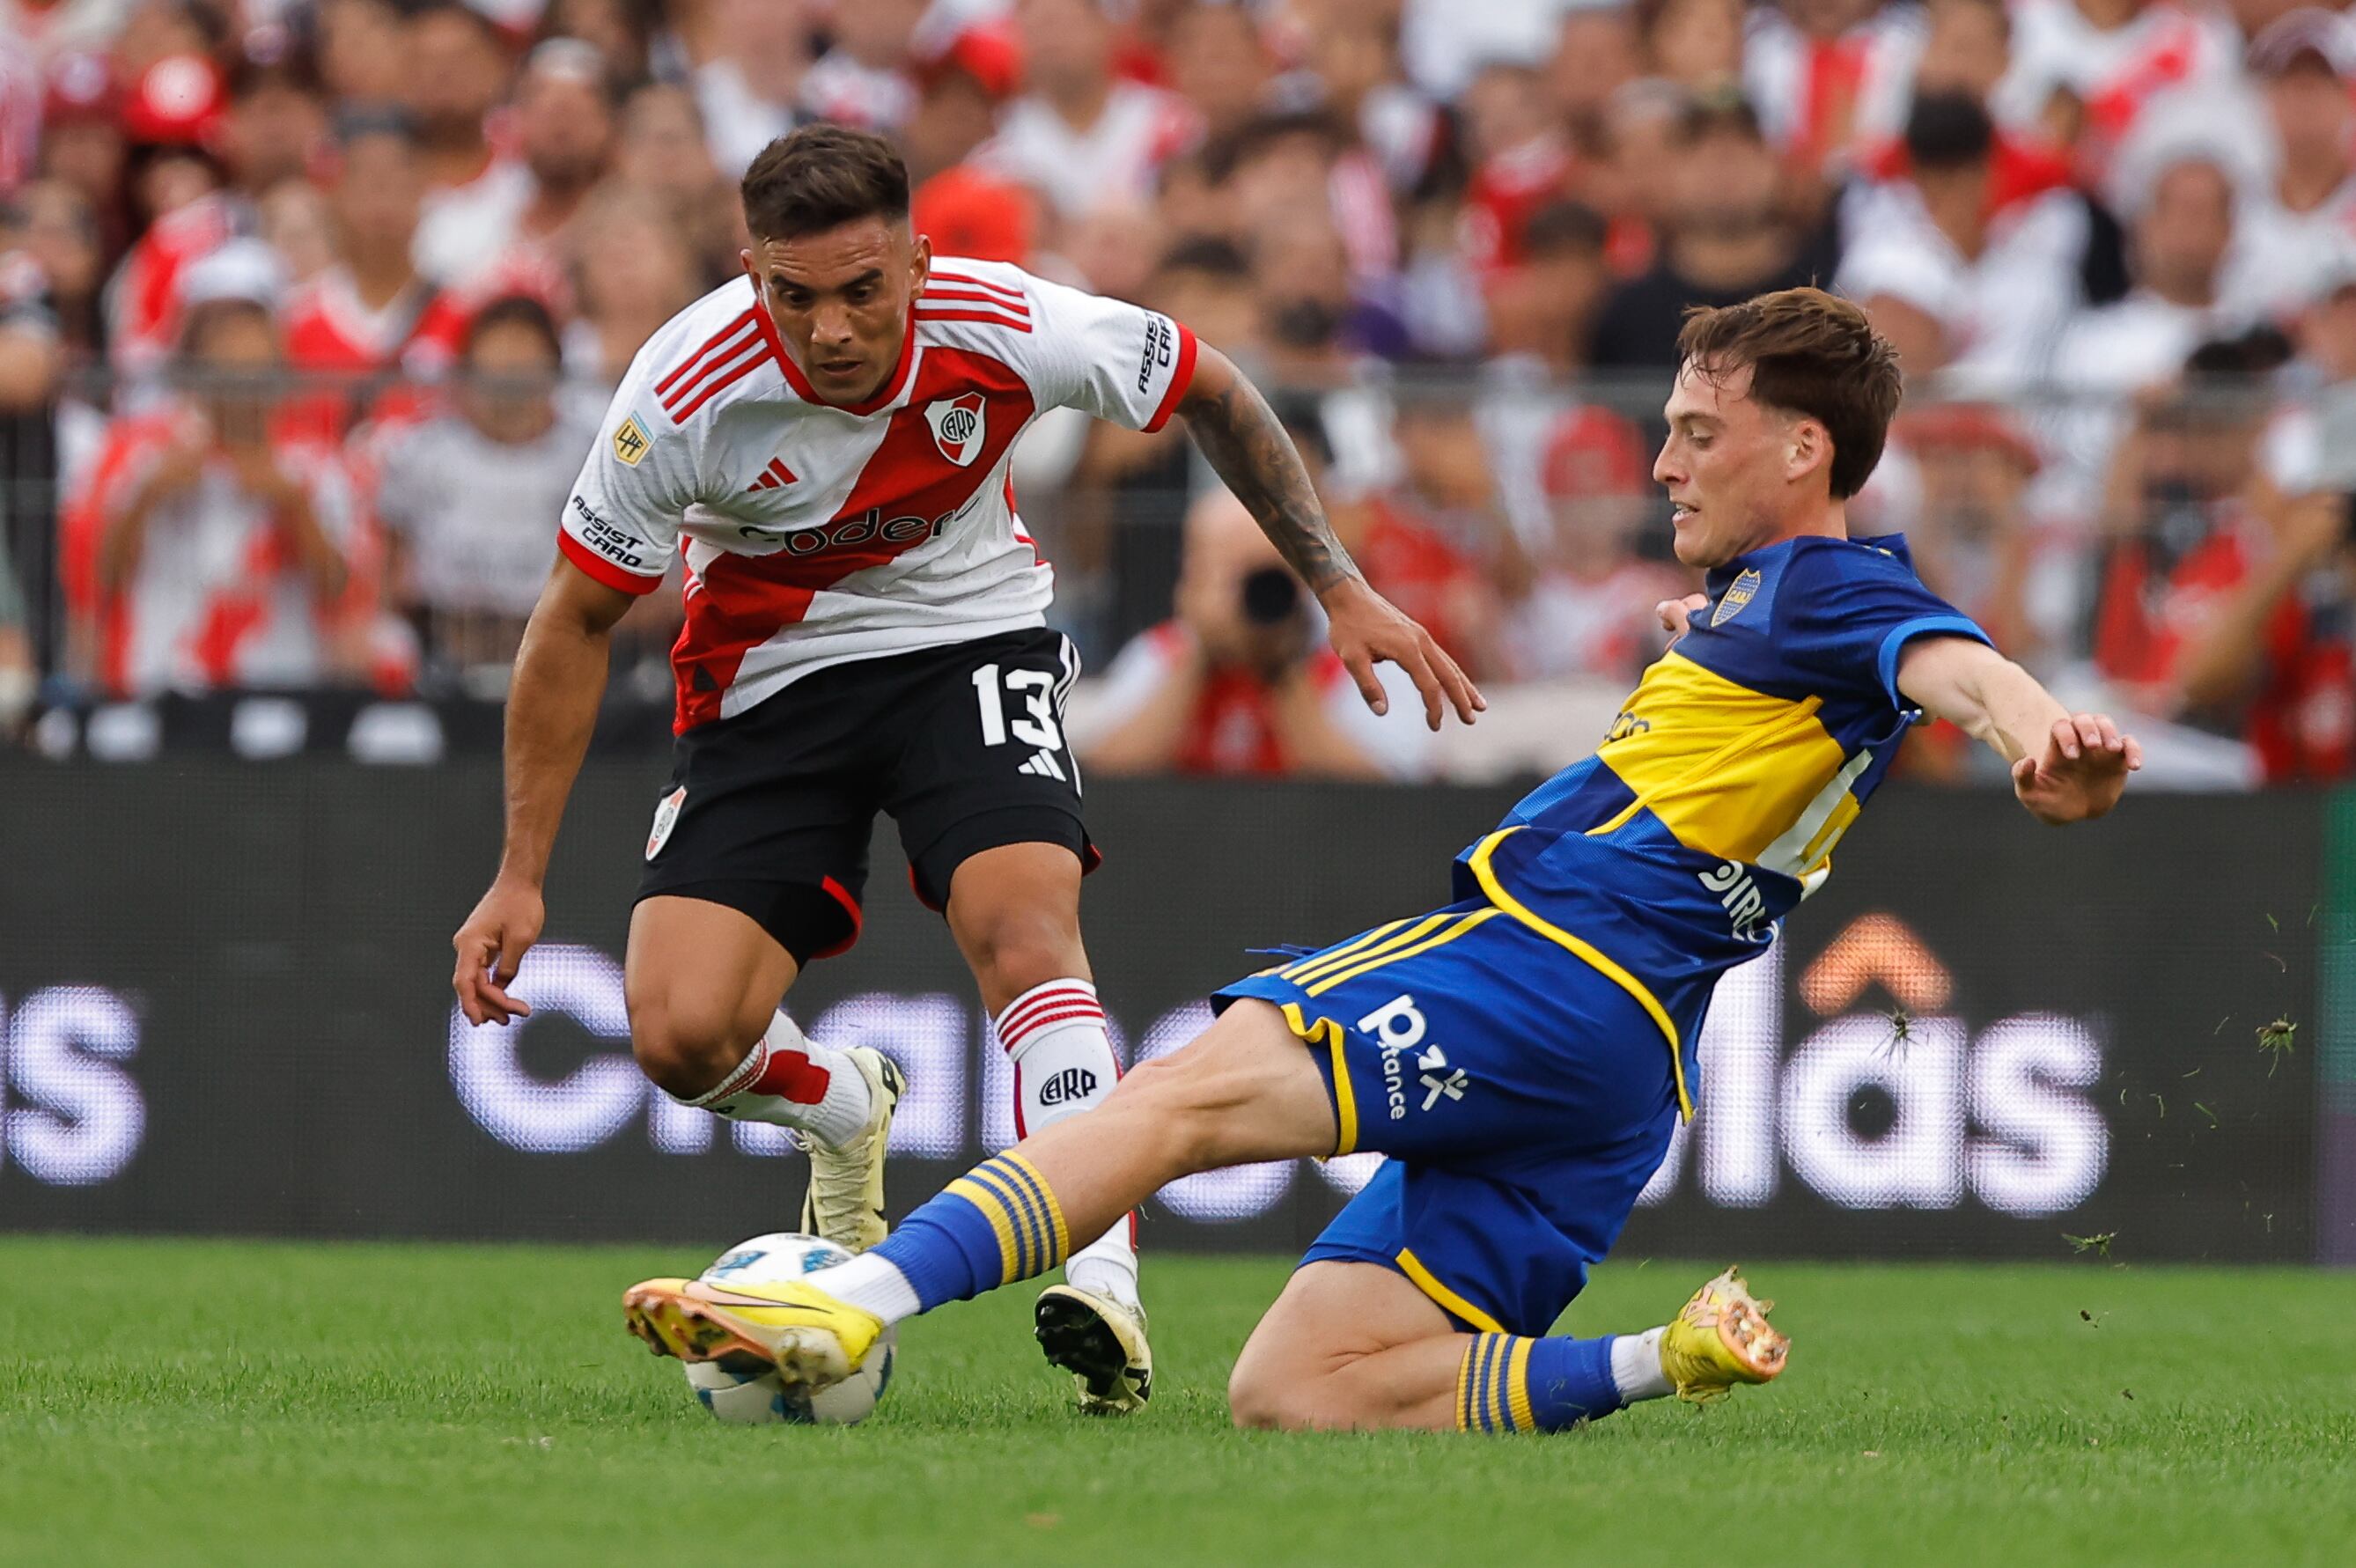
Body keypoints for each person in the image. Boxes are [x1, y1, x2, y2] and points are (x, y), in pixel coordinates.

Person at [618, 287, 2142, 1433]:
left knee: (1182, 1091)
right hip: (1627, 1073)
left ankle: (843, 1298)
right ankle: (1665, 1358)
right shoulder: (1769, 604)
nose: (1663, 458)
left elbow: (1954, 662)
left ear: (1803, 448)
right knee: (1298, 1384)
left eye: (1697, 430)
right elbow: (1847, 683)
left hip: (1544, 967)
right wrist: (1718, 635)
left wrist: (2037, 736)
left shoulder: (1835, 591)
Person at [450, 125, 1476, 1414]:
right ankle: (840, 1105)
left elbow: (1212, 383)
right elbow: (574, 620)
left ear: (918, 262)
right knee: (678, 1031)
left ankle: (1101, 1267)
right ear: (751, 270)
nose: (830, 327)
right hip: (772, 682)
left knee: (1022, 917)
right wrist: (520, 874)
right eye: (795, 294)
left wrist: (1337, 583)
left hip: (968, 640)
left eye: (862, 289)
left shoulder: (1007, 320)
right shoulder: (679, 393)